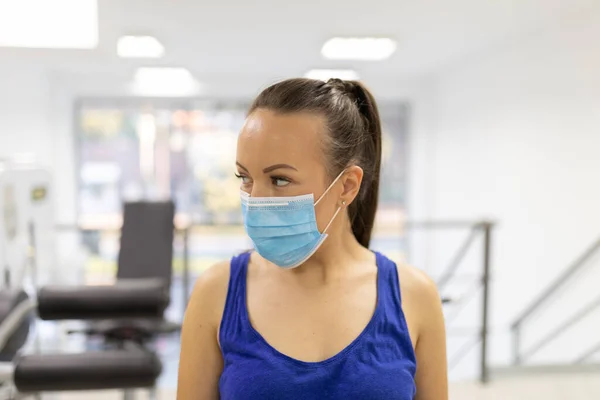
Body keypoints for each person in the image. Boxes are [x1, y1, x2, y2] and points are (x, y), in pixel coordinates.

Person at [177, 78, 448, 399]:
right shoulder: (216, 292)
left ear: (347, 185)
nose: (256, 198)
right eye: (245, 177)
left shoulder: (413, 295)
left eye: (280, 179)